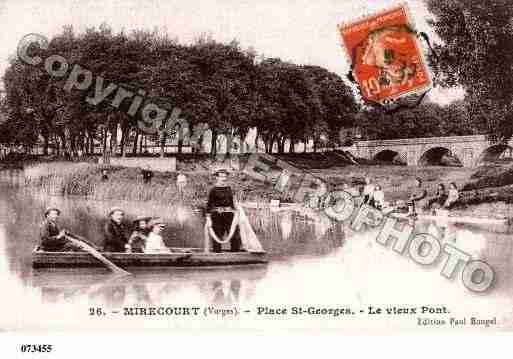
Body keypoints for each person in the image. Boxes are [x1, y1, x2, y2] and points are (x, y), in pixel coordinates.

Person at [206, 169, 241, 253]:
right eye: (221, 176)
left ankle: (235, 253)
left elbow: (232, 202)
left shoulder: (229, 189)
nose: (224, 178)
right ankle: (217, 254)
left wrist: (237, 212)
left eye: (225, 176)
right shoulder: (213, 190)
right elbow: (209, 204)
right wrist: (208, 217)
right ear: (217, 178)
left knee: (234, 234)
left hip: (229, 215)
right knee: (217, 234)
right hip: (217, 215)